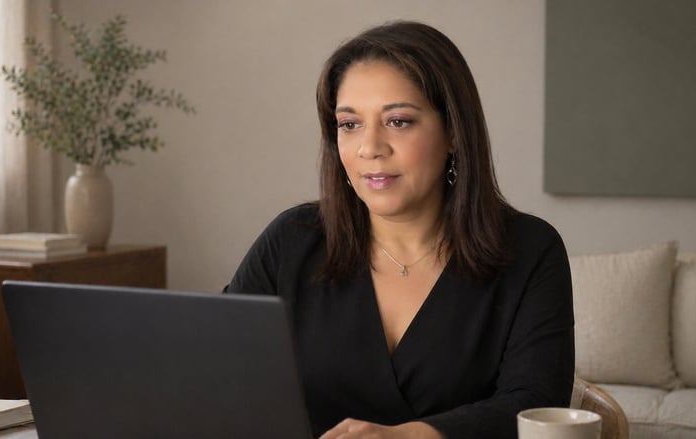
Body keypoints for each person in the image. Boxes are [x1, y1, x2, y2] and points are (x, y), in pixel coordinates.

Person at [225, 21, 574, 439]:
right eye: (349, 124)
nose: (370, 147)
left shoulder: (531, 250)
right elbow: (217, 370)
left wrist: (411, 436)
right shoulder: (292, 240)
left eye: (398, 121)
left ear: (453, 134)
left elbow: (535, 406)